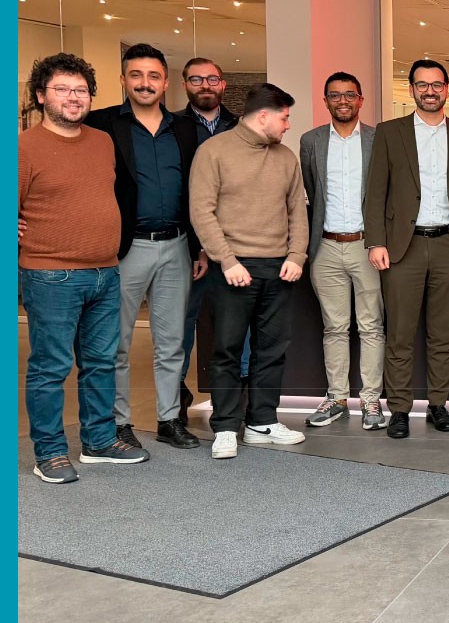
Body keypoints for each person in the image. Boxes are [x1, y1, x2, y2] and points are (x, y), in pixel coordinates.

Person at [20, 52, 150, 483]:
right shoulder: (23, 147)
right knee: (50, 368)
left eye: (81, 90)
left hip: (106, 272)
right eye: (62, 89)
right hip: (50, 276)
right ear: (42, 96)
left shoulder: (102, 141)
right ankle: (50, 452)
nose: (73, 97)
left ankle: (99, 440)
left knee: (101, 362)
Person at [84, 43, 209, 450]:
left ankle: (169, 419)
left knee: (172, 342)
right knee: (117, 342)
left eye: (153, 75)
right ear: (123, 80)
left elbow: (196, 191)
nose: (145, 83)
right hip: (125, 248)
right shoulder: (101, 124)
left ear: (166, 82)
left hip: (177, 246)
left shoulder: (185, 129)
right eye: (136, 75)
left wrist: (199, 247)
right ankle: (119, 423)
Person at [188, 83, 309, 459]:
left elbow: (297, 210)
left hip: (280, 268)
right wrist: (227, 260)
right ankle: (226, 426)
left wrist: (297, 256)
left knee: (272, 350)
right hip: (232, 269)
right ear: (264, 116)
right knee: (226, 350)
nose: (288, 125)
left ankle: (261, 421)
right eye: (285, 118)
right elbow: (201, 211)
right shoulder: (214, 151)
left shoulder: (286, 157)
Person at [365, 60, 449, 439]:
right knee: (399, 333)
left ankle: (438, 404)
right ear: (411, 89)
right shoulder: (389, 132)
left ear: (447, 89)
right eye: (422, 85)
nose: (430, 91)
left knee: (443, 333)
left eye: (437, 85)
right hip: (402, 247)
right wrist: (376, 241)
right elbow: (376, 191)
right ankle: (399, 408)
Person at [298, 72, 384, 430]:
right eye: (335, 95)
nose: (343, 101)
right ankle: (336, 398)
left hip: (367, 246)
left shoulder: (378, 139)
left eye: (350, 94)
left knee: (371, 326)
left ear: (361, 99)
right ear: (326, 101)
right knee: (334, 327)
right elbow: (311, 190)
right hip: (327, 247)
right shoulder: (311, 141)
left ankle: (371, 401)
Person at [175, 58, 241, 425]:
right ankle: (175, 397)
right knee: (181, 325)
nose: (205, 85)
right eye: (197, 79)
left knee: (235, 326)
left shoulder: (240, 126)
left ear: (223, 84)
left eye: (212, 79)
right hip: (185, 244)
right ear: (185, 83)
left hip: (235, 245)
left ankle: (232, 399)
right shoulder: (172, 127)